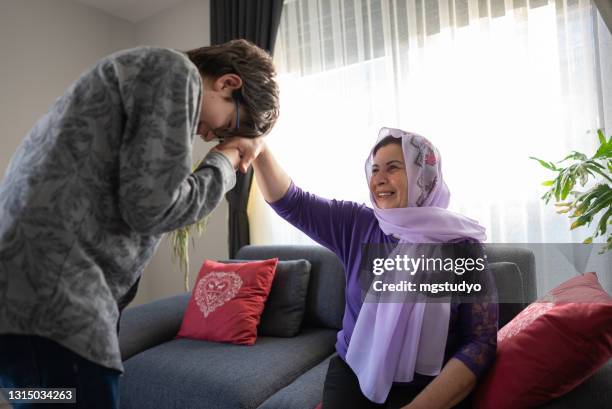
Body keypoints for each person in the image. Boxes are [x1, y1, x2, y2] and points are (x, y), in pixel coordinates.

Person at [0, 39, 276, 408]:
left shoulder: (130, 71)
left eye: (224, 138)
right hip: (59, 309)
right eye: (227, 128)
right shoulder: (175, 72)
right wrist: (226, 160)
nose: (209, 137)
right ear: (228, 83)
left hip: (20, 311)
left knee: (41, 398)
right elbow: (154, 208)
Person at [224, 127, 498, 408]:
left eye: (392, 168)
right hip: (353, 373)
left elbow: (479, 342)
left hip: (430, 387)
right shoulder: (358, 225)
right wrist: (261, 149)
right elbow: (292, 202)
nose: (378, 180)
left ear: (424, 178)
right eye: (374, 170)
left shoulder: (462, 246)